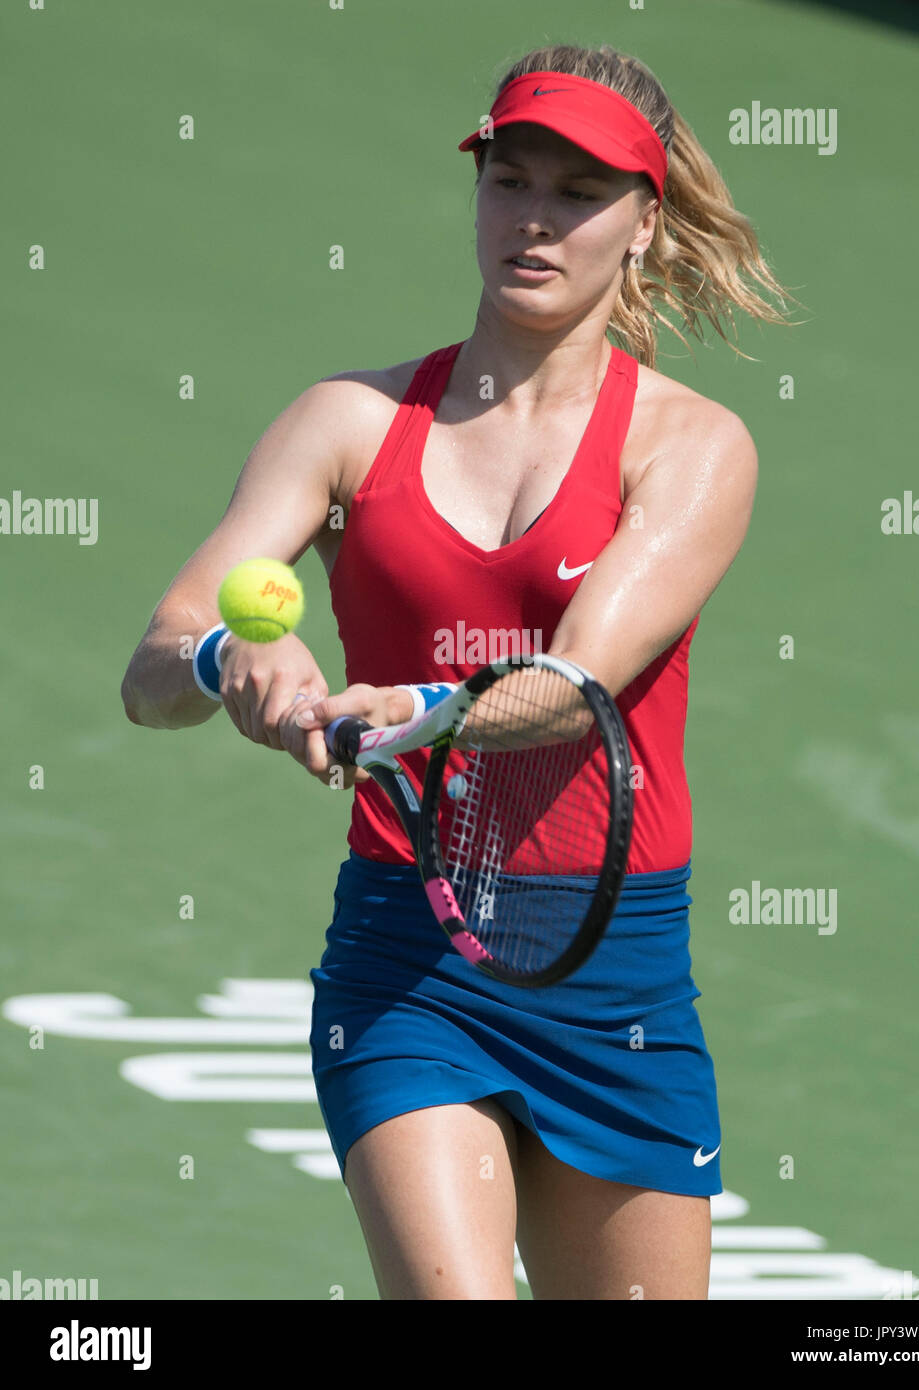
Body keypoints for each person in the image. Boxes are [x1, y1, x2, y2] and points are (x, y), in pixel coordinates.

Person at [122, 42, 793, 1300]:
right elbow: (152, 663)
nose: (532, 220)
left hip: (617, 981)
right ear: (476, 187)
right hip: (409, 962)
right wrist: (231, 655)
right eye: (510, 179)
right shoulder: (346, 423)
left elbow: (577, 684)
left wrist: (417, 709)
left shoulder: (695, 447)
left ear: (645, 224)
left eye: (577, 195)